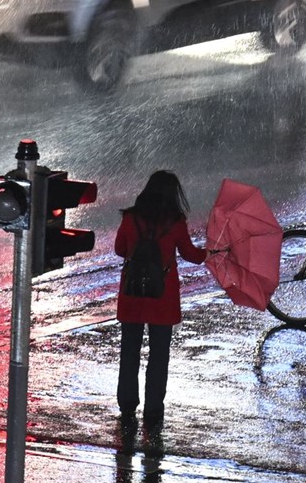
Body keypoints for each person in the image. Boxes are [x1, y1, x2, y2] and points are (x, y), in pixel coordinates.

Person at [114, 170, 207, 426]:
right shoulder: (175, 222)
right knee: (158, 356)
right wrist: (211, 252)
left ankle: (127, 404)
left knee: (129, 352)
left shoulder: (130, 217)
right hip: (162, 298)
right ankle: (153, 408)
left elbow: (120, 249)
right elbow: (191, 255)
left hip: (133, 294)